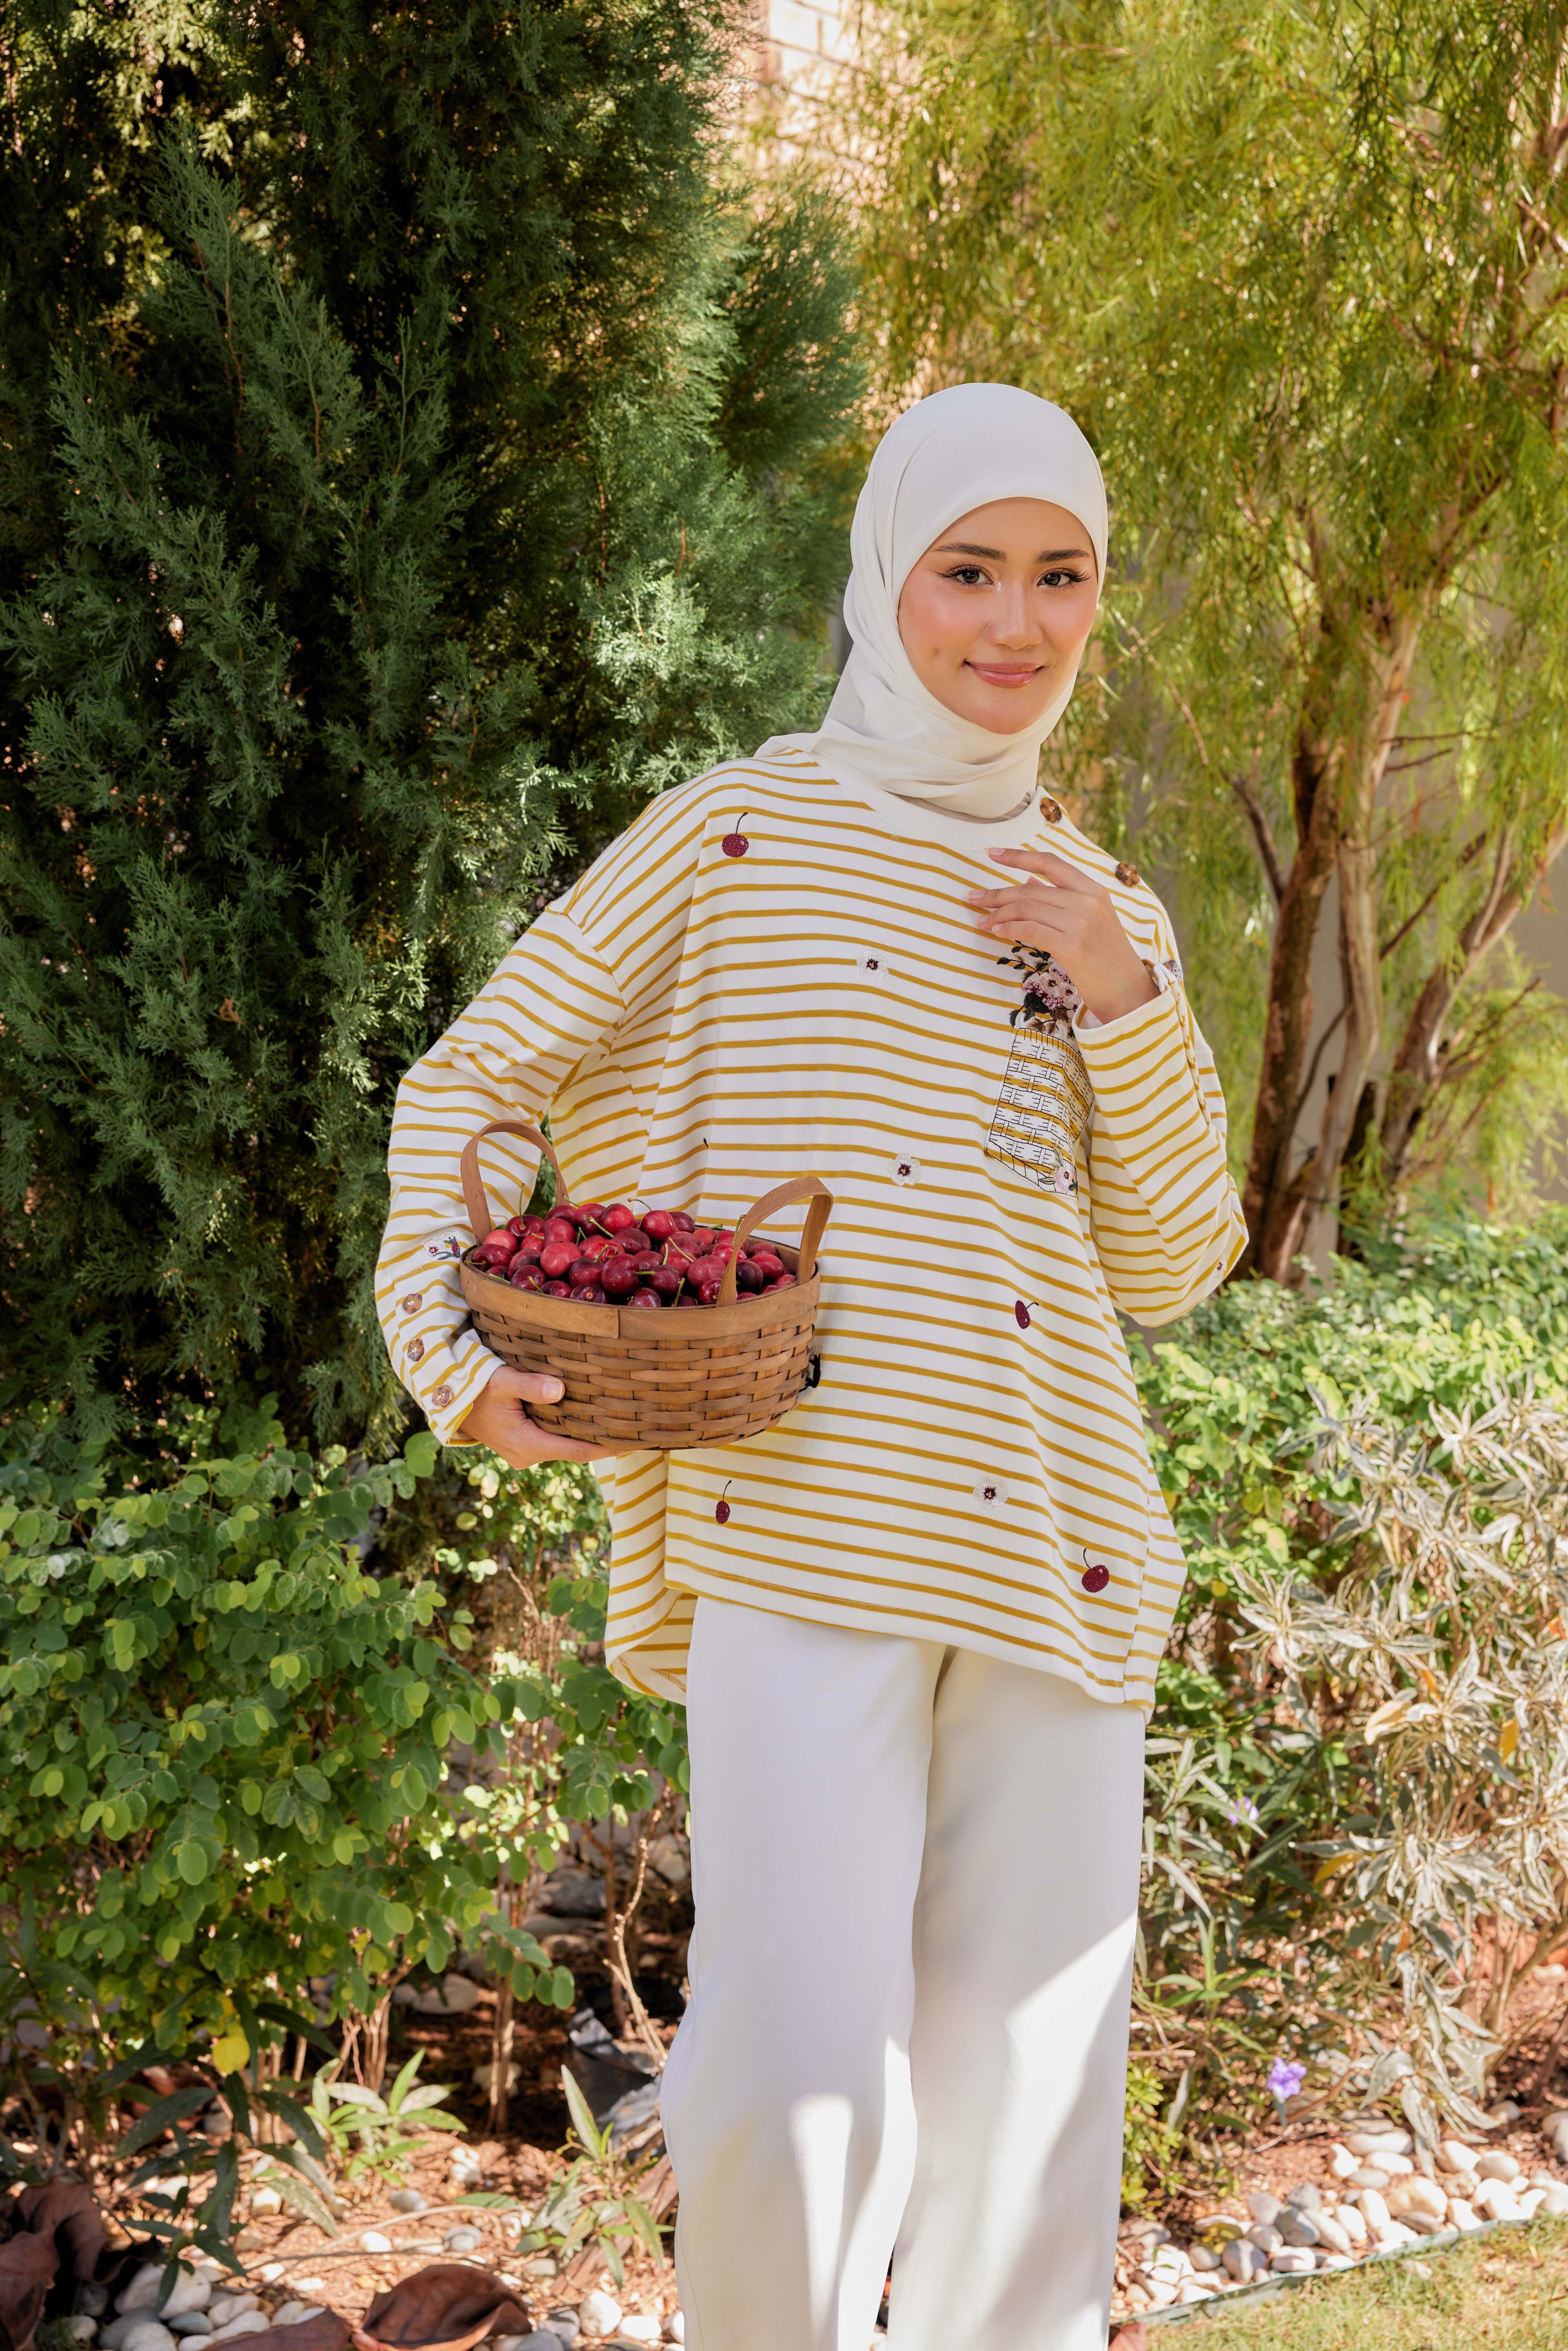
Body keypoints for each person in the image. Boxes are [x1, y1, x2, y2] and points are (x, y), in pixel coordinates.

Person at [376, 383, 1247, 2351]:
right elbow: (478, 1085)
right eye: (968, 572)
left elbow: (1178, 1261)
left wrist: (1117, 999)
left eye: (1059, 578)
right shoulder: (736, 833)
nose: (1012, 628)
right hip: (803, 1528)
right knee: (785, 2079)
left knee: (1033, 2122)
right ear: (886, 576)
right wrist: (447, 1345)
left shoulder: (1115, 912)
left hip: (1057, 1552)